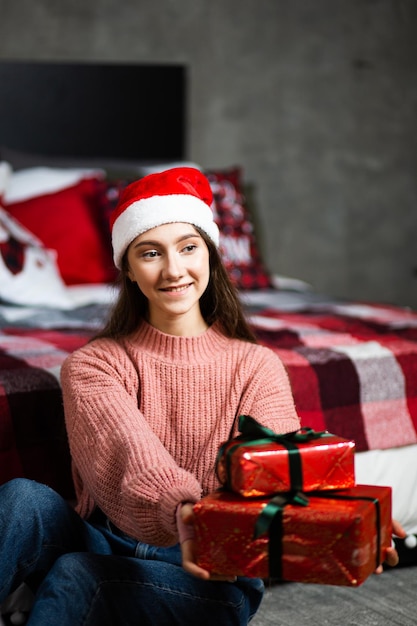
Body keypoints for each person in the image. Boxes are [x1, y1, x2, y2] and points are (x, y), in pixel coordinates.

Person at [0, 167, 404, 625]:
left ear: (210, 257)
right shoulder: (94, 365)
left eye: (188, 248)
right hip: (109, 538)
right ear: (128, 270)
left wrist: (350, 511)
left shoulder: (256, 365)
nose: (174, 270)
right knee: (22, 501)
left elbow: (283, 466)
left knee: (76, 575)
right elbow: (130, 456)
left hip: (211, 575)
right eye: (150, 253)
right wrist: (183, 511)